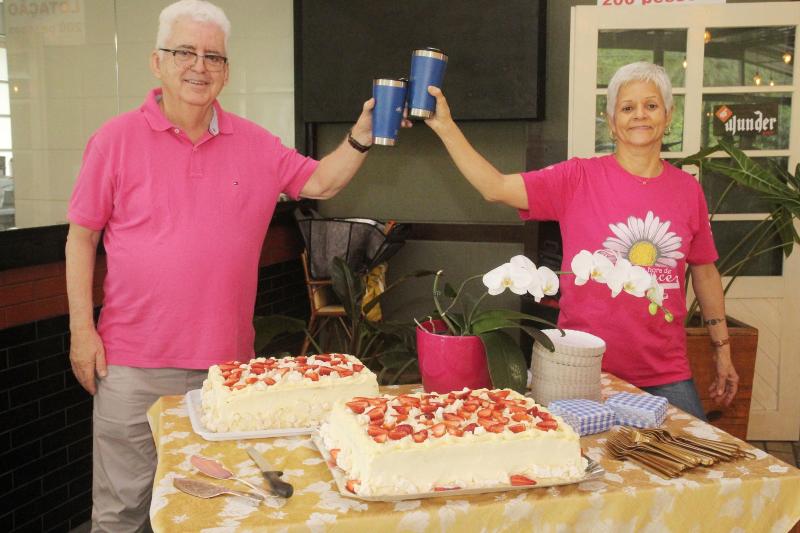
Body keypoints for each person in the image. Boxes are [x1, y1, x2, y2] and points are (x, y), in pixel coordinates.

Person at [64, 1, 392, 530]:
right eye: (184, 52)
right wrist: (82, 330)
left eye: (213, 57)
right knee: (121, 512)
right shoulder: (114, 140)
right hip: (131, 362)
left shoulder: (255, 143)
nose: (199, 66)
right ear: (157, 62)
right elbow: (81, 238)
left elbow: (322, 182)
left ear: (227, 70)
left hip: (226, 370)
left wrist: (361, 134)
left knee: (214, 507)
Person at [424, 61, 738, 420]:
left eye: (651, 106)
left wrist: (722, 349)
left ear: (668, 115)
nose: (640, 115)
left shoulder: (687, 190)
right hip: (582, 369)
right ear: (611, 120)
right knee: (584, 471)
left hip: (665, 374)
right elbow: (495, 187)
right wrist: (445, 127)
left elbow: (706, 272)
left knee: (689, 468)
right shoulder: (577, 178)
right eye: (627, 107)